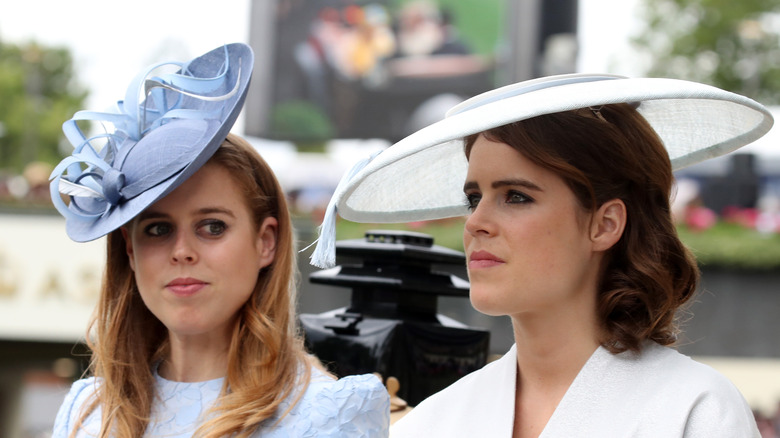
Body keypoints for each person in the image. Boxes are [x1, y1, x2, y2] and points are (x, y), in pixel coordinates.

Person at [309, 73, 774, 437]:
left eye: (516, 196)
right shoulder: (434, 423)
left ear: (605, 223)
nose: (475, 223)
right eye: (475, 197)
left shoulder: (694, 411)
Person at [50, 43, 389, 437]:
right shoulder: (87, 411)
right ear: (129, 249)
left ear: (266, 242)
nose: (182, 252)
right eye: (158, 229)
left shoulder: (327, 413)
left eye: (212, 226)